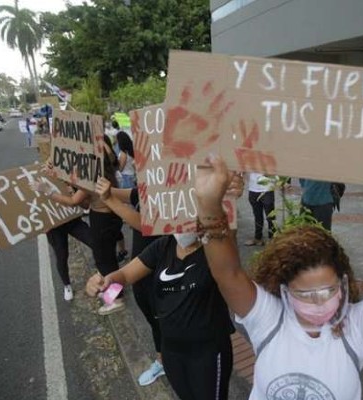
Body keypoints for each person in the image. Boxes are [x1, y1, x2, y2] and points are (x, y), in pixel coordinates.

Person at [192, 154, 363, 399]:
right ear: (284, 290)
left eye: (329, 290)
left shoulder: (357, 329)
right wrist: (209, 206)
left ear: (344, 283)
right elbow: (227, 273)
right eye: (305, 294)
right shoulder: (268, 318)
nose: (320, 301)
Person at [85, 174, 243, 400]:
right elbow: (126, 275)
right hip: (171, 351)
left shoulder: (216, 251)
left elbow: (230, 235)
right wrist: (107, 281)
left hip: (207, 353)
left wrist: (229, 197)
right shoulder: (163, 246)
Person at [37, 135, 127, 315]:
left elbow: (72, 201)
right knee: (107, 258)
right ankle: (113, 294)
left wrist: (48, 192)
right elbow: (85, 203)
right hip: (110, 218)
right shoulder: (105, 169)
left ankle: (116, 299)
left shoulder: (91, 176)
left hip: (102, 221)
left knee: (104, 261)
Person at [95, 177, 165, 385]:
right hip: (140, 269)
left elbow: (146, 225)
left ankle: (165, 360)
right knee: (152, 317)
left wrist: (109, 199)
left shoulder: (172, 187)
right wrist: (99, 187)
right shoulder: (147, 183)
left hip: (161, 271)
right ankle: (162, 360)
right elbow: (126, 193)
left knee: (162, 319)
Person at [245, 173, 275, 246]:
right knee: (257, 215)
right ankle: (258, 238)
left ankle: (273, 238)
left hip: (267, 189)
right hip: (252, 189)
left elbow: (274, 170)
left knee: (270, 216)